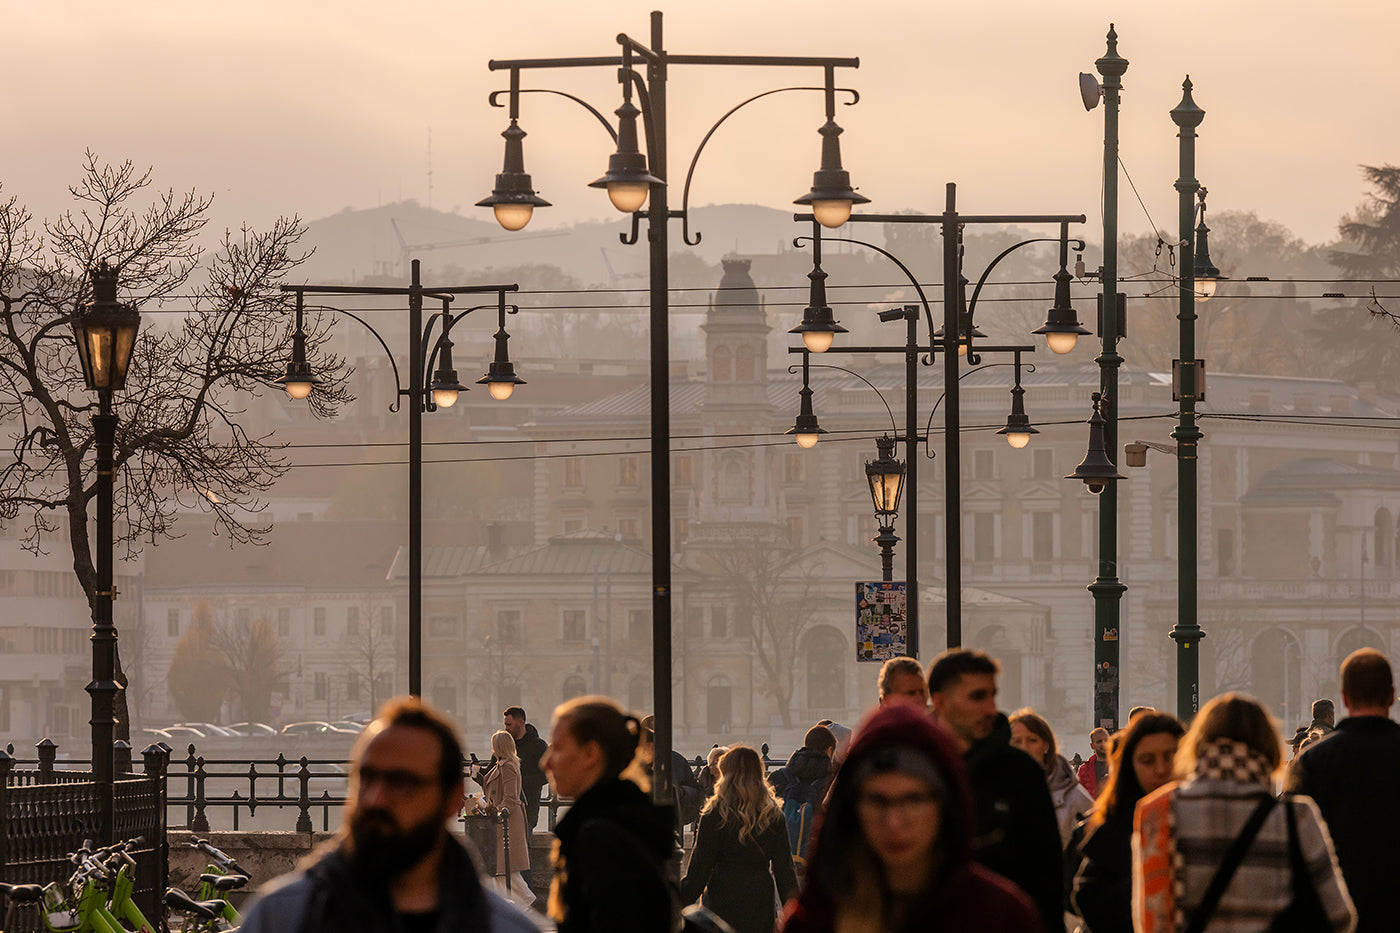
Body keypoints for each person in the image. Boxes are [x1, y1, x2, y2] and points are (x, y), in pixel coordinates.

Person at [240, 697, 540, 933]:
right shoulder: (276, 916)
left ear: (451, 799)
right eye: (367, 778)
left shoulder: (506, 927)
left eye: (402, 782)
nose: (376, 798)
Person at [778, 704, 1041, 933]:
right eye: (878, 801)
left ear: (944, 807)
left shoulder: (1001, 917)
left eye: (913, 800)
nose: (894, 821)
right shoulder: (814, 919)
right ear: (852, 811)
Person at [1133, 692, 1354, 933]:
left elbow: (1151, 921)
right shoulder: (1296, 818)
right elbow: (1339, 916)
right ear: (1268, 745)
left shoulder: (1157, 812)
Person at [927, 649, 1062, 933]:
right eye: (978, 697)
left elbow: (1047, 876)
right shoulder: (913, 766)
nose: (991, 708)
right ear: (940, 701)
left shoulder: (1021, 772)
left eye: (992, 695)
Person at [1284, 648, 1400, 933]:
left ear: (1345, 698)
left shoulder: (1312, 762)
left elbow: (1291, 849)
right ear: (1391, 695)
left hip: (1334, 912)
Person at [542, 695, 676, 933]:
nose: (546, 763)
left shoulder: (600, 838)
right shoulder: (624, 821)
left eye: (558, 749)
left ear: (591, 754)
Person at [1071, 712, 1184, 933]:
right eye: (1147, 760)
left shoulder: (1209, 822)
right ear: (1130, 767)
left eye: (1170, 757)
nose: (1161, 769)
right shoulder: (1102, 833)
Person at [682, 745, 798, 933]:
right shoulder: (772, 815)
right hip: (759, 899)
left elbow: (700, 869)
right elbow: (785, 871)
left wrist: (677, 903)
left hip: (722, 897)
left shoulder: (714, 814)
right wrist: (795, 916)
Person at [1009, 707, 1094, 849]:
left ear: (1046, 746)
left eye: (1032, 740)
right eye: (1017, 741)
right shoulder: (992, 792)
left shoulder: (1075, 798)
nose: (1024, 748)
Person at [768, 724, 837, 864]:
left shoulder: (778, 778)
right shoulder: (835, 780)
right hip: (820, 862)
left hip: (781, 859)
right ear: (829, 751)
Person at [479, 729, 532, 901]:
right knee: (501, 867)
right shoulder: (502, 765)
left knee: (503, 866)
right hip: (502, 819)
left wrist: (496, 811)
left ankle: (523, 900)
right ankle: (516, 901)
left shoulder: (508, 766)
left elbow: (511, 797)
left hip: (506, 820)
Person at [639, 713, 705, 831]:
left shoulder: (677, 760)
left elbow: (696, 792)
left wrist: (682, 792)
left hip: (672, 826)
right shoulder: (631, 762)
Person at [503, 707, 549, 831]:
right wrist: (478, 773)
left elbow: (547, 775)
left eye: (509, 724)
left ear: (520, 722)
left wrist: (518, 781)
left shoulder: (538, 746)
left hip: (528, 808)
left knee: (523, 845)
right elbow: (493, 770)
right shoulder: (506, 745)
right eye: (505, 725)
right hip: (506, 808)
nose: (506, 728)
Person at [1077, 727, 1110, 797]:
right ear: (1092, 746)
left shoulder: (1120, 765)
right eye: (1099, 741)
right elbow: (1078, 797)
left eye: (1106, 740)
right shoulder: (1084, 770)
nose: (1104, 744)